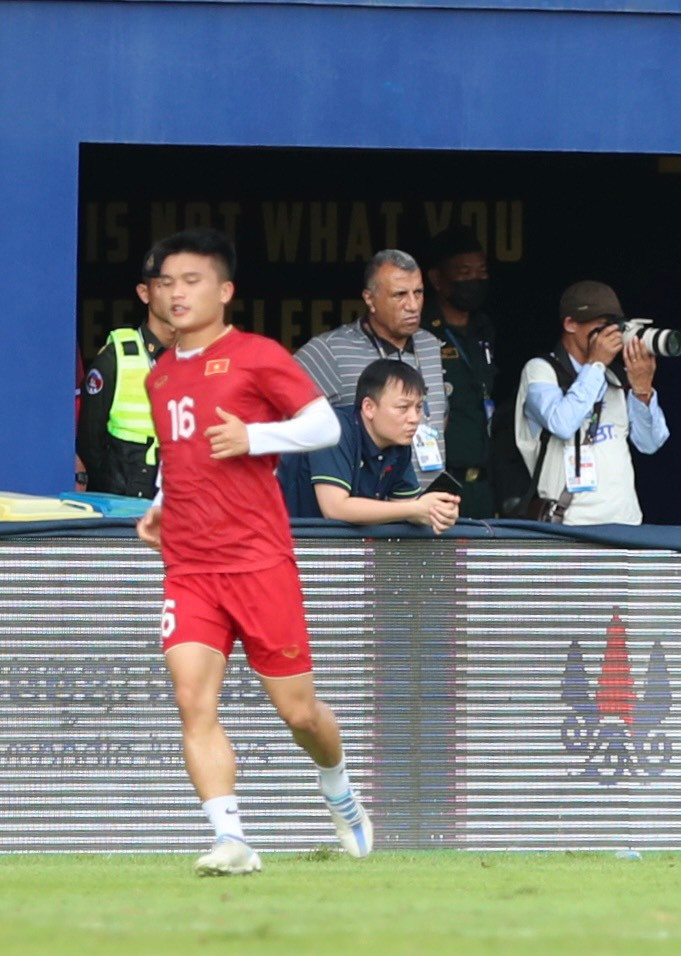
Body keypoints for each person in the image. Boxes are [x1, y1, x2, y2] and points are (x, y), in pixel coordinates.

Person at [135, 228, 373, 876]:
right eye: (168, 283)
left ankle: (338, 788)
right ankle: (232, 839)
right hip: (189, 565)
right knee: (192, 701)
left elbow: (325, 424)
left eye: (192, 281)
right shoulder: (159, 377)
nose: (177, 293)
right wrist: (160, 501)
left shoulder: (255, 355)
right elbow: (179, 454)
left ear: (225, 290)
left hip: (258, 560)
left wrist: (255, 436)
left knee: (298, 713)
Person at [514, 280, 669, 525]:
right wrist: (595, 365)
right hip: (569, 525)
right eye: (601, 328)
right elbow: (562, 423)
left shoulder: (615, 377)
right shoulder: (541, 371)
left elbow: (650, 444)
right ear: (570, 324)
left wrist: (642, 390)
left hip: (625, 522)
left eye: (613, 328)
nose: (609, 337)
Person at [295, 249, 447, 488]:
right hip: (363, 512)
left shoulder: (430, 344)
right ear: (369, 299)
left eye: (418, 293)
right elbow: (285, 419)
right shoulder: (329, 350)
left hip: (427, 507)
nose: (413, 305)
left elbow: (439, 415)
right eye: (400, 295)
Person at [280, 358, 461, 531]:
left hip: (331, 547)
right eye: (402, 408)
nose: (414, 418)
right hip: (277, 539)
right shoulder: (332, 428)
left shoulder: (397, 441)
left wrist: (435, 511)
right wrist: (415, 509)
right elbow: (335, 508)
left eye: (419, 407)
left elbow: (406, 504)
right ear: (369, 408)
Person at [77, 246, 177, 497]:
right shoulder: (116, 359)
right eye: (165, 284)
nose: (178, 295)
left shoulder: (207, 359)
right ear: (145, 293)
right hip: (126, 510)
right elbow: (90, 446)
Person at [422, 227, 497, 518]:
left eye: (481, 271)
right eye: (464, 272)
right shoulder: (422, 332)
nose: (474, 280)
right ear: (437, 279)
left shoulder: (484, 329)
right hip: (439, 479)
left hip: (482, 481)